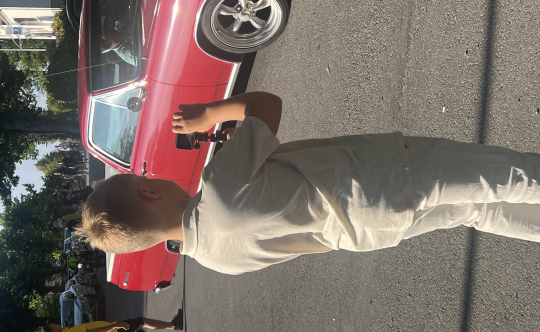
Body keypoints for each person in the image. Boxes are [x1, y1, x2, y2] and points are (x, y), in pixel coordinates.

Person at [76, 92, 540, 275]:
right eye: (145, 178)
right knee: (507, 174)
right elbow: (267, 104)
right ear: (149, 192)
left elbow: (271, 207)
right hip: (378, 180)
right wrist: (211, 114)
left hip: (368, 230)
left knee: (478, 210)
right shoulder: (218, 184)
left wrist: (249, 152)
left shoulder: (215, 259)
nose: (152, 176)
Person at [45, 314, 183, 332]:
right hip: (114, 331)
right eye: (53, 325)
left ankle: (173, 325)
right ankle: (174, 325)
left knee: (141, 325)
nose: (56, 324)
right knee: (142, 321)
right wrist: (114, 326)